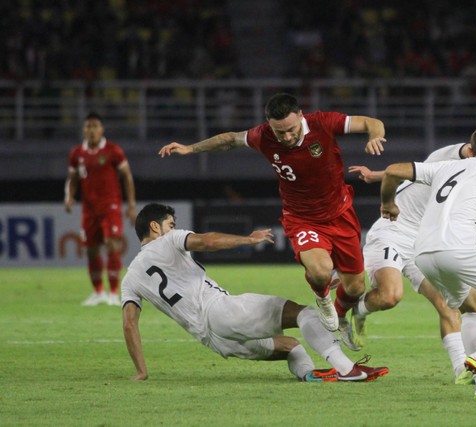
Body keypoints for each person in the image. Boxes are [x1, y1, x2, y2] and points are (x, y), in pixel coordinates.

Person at [158, 93, 387, 350]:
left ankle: (341, 313)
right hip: (301, 218)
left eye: (291, 130)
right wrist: (190, 148)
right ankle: (322, 298)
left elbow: (371, 121)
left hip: (340, 214)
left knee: (355, 288)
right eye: (280, 133)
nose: (287, 137)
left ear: (301, 116)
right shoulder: (263, 135)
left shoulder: (323, 123)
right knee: (321, 271)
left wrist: (375, 136)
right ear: (269, 124)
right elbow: (229, 139)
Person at [346, 141, 476, 385]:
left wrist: (376, 175)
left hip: (428, 240)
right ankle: (359, 309)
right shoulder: (449, 158)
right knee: (390, 296)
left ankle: (463, 370)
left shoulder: (471, 177)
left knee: (450, 303)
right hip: (393, 230)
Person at [121, 203, 389, 382]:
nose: (173, 227)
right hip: (220, 311)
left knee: (292, 347)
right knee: (303, 314)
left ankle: (310, 376)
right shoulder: (169, 240)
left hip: (215, 341)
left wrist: (141, 371)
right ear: (155, 227)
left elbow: (129, 324)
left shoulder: (131, 276)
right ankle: (347, 369)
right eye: (170, 223)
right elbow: (208, 240)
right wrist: (247, 240)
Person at [64, 112, 137, 306]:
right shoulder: (77, 153)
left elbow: (127, 177)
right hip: (89, 208)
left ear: (102, 129)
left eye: (95, 126)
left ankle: (114, 293)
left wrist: (131, 205)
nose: (92, 130)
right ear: (83, 130)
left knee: (112, 244)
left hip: (110, 205)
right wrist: (69, 196)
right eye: (88, 126)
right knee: (90, 249)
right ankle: (98, 292)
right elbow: (72, 179)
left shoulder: (113, 151)